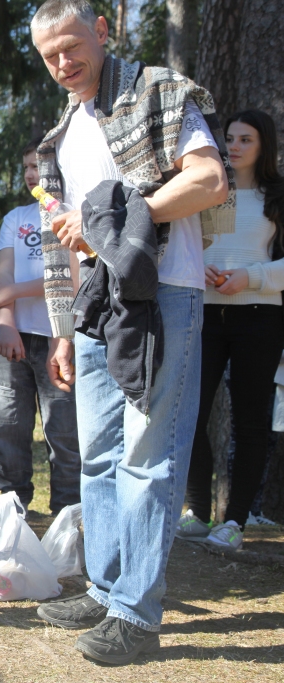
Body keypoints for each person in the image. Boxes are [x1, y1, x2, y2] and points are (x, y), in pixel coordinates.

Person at [30, 0, 232, 665]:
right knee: (98, 452)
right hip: (96, 304)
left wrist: (119, 220)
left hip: (164, 293)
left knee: (149, 453)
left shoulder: (158, 92)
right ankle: (106, 583)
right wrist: (62, 332)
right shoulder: (62, 136)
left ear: (103, 31)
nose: (63, 63)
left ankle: (136, 613)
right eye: (49, 54)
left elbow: (208, 180)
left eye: (71, 46)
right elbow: (67, 245)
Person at [179, 110, 284, 550]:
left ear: (265, 146)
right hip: (204, 315)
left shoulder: (277, 196)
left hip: (260, 317)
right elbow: (185, 246)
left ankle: (235, 521)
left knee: (248, 421)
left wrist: (251, 277)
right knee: (191, 414)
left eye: (247, 139)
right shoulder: (208, 192)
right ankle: (198, 513)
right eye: (231, 138)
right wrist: (199, 267)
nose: (235, 146)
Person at [0, 139, 80, 515]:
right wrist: (6, 322)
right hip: (12, 338)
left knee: (63, 433)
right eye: (26, 167)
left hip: (59, 337)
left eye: (38, 167)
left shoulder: (73, 215)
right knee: (7, 427)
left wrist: (15, 290)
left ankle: (68, 515)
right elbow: (2, 276)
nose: (31, 175)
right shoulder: (16, 219)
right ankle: (12, 512)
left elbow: (72, 278)